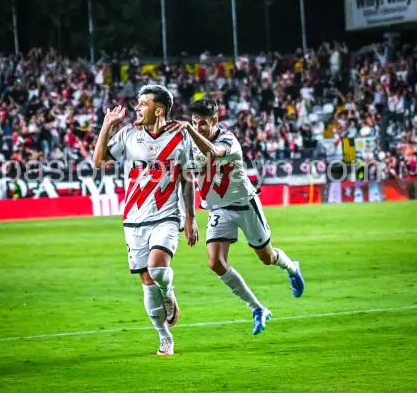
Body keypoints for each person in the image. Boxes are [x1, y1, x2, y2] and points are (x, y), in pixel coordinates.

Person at [165, 98, 304, 336]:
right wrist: (189, 218)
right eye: (194, 123)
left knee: (267, 257)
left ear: (215, 121)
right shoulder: (187, 144)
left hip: (244, 205)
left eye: (203, 124)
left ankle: (292, 267)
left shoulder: (228, 140)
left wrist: (188, 130)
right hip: (218, 210)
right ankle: (258, 309)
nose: (198, 128)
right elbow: (186, 179)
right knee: (215, 262)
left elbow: (211, 152)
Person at [93, 84, 199, 356]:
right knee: (147, 281)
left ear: (159, 110)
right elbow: (98, 161)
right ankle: (165, 337)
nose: (136, 108)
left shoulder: (180, 137)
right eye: (137, 103)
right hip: (133, 219)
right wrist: (107, 125)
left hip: (166, 216)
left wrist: (190, 218)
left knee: (158, 268)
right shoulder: (128, 134)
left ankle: (169, 290)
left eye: (143, 104)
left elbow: (188, 179)